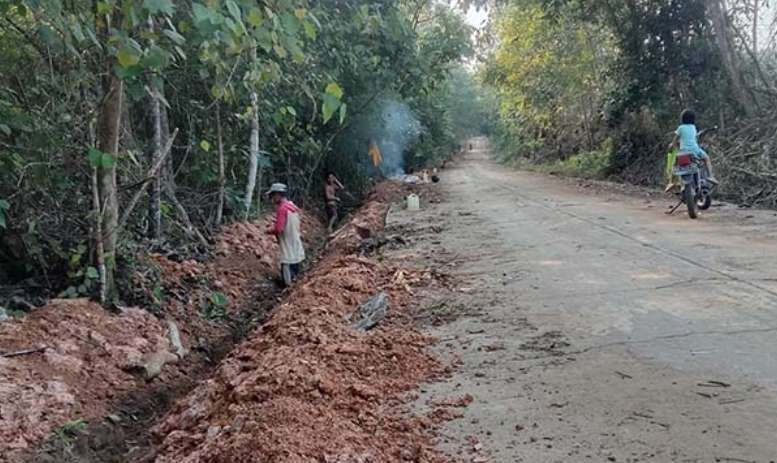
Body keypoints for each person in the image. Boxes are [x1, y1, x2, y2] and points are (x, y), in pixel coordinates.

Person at [666, 109, 719, 191]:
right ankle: (710, 176)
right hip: (695, 150)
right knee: (706, 158)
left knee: (675, 165)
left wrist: (672, 145)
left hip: (683, 152)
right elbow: (694, 139)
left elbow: (675, 140)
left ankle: (671, 182)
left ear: (682, 119)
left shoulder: (680, 128)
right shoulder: (693, 127)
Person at [265, 183, 305, 287]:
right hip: (294, 238)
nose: (272, 198)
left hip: (287, 240)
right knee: (295, 259)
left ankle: (288, 286)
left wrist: (269, 231)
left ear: (278, 194)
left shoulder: (282, 209)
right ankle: (295, 279)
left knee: (286, 261)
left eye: (273, 195)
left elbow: (279, 229)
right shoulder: (292, 206)